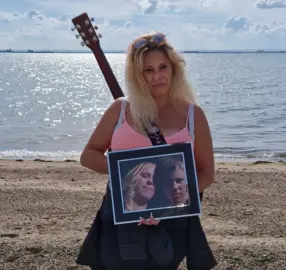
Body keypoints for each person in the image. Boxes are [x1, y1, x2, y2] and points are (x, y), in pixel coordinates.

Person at [76, 31, 217, 270]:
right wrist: (128, 172)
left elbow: (206, 173)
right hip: (119, 216)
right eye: (148, 70)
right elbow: (88, 155)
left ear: (174, 69)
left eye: (163, 67)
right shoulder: (120, 109)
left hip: (171, 220)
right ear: (137, 75)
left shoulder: (193, 115)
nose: (157, 76)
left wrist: (168, 206)